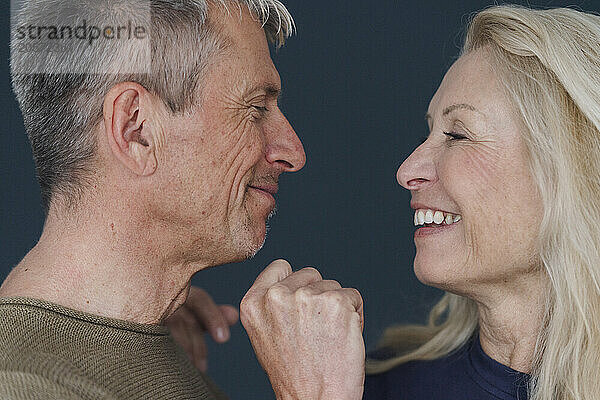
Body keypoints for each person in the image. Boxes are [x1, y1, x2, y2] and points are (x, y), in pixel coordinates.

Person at [1, 0, 365, 398]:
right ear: (136, 130)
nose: (292, 152)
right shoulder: (25, 387)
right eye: (256, 108)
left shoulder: (145, 340)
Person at [358, 5, 600, 400]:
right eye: (431, 130)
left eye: (457, 135)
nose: (408, 170)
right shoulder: (370, 387)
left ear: (573, 168)